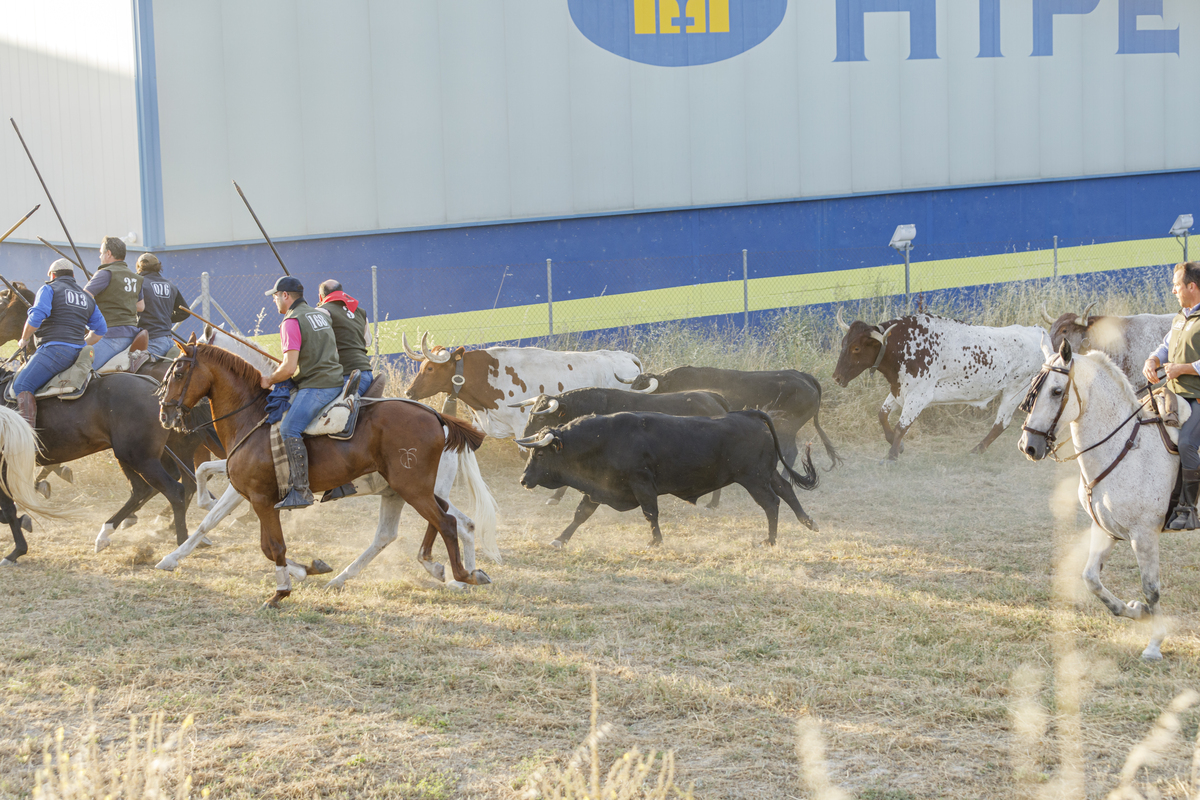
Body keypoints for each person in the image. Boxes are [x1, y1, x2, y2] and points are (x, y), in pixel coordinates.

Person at [261, 276, 344, 509]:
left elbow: (287, 368)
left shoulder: (291, 321)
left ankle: (301, 491)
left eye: (276, 296)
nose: (275, 300)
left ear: (286, 296)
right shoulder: (319, 314)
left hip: (318, 385)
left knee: (289, 428)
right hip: (336, 380)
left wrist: (269, 378)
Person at [12, 259, 108, 429]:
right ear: (72, 276)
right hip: (78, 353)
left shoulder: (48, 288)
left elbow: (36, 317)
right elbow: (101, 329)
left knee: (22, 384)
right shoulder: (86, 297)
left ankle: (27, 437)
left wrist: (24, 338)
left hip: (54, 351)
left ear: (53, 275)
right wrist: (80, 343)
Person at [1144, 260, 1200, 530]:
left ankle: (1188, 510)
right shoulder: (1181, 317)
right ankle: (1159, 504)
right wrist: (1152, 361)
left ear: (1192, 286)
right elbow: (1165, 346)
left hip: (1196, 398)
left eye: (1177, 285)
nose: (1174, 290)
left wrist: (1184, 368)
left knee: (1187, 443)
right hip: (1173, 394)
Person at [84, 236, 144, 370]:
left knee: (79, 367)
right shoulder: (136, 277)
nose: (100, 257)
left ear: (108, 253)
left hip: (110, 334)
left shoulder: (104, 273)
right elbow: (140, 306)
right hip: (132, 335)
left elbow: (84, 297)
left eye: (101, 253)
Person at [317, 279, 372, 395]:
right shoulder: (361, 312)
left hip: (346, 376)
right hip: (366, 373)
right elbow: (367, 342)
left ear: (320, 297)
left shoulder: (321, 312)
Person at [135, 253, 190, 357]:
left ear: (138, 267)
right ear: (158, 267)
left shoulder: (139, 283)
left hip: (150, 341)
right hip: (169, 342)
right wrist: (164, 317)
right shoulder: (171, 286)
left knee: (128, 369)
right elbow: (185, 312)